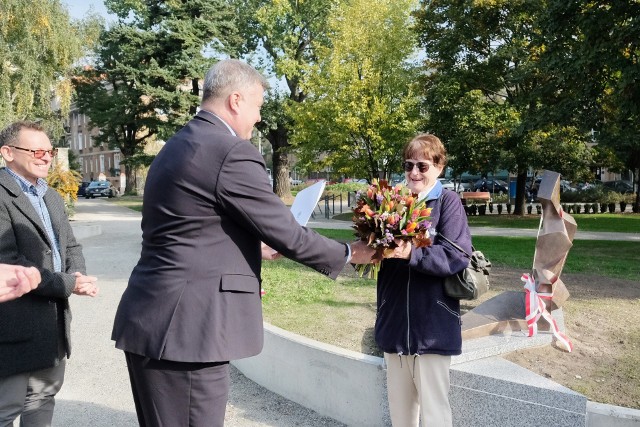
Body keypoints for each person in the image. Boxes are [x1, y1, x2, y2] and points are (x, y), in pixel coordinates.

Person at [111, 59, 371, 427]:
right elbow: (288, 232)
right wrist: (351, 253)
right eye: (258, 106)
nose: (259, 118)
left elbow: (191, 228)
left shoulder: (179, 144)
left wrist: (253, 247)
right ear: (236, 100)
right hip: (188, 332)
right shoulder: (230, 150)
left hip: (157, 321)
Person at [359, 134, 472, 426]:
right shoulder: (392, 202)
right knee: (401, 416)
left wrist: (412, 253)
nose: (414, 173)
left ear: (439, 167)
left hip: (432, 327)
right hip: (395, 325)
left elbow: (456, 256)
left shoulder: (447, 202)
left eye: (422, 166)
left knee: (435, 415)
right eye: (408, 165)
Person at [0, 121, 99, 426]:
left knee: (43, 400)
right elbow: (12, 264)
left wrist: (78, 274)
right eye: (37, 150)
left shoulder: (51, 197)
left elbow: (70, 246)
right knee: (6, 408)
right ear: (8, 153)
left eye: (50, 151)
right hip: (11, 328)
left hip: (51, 327)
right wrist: (69, 284)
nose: (46, 157)